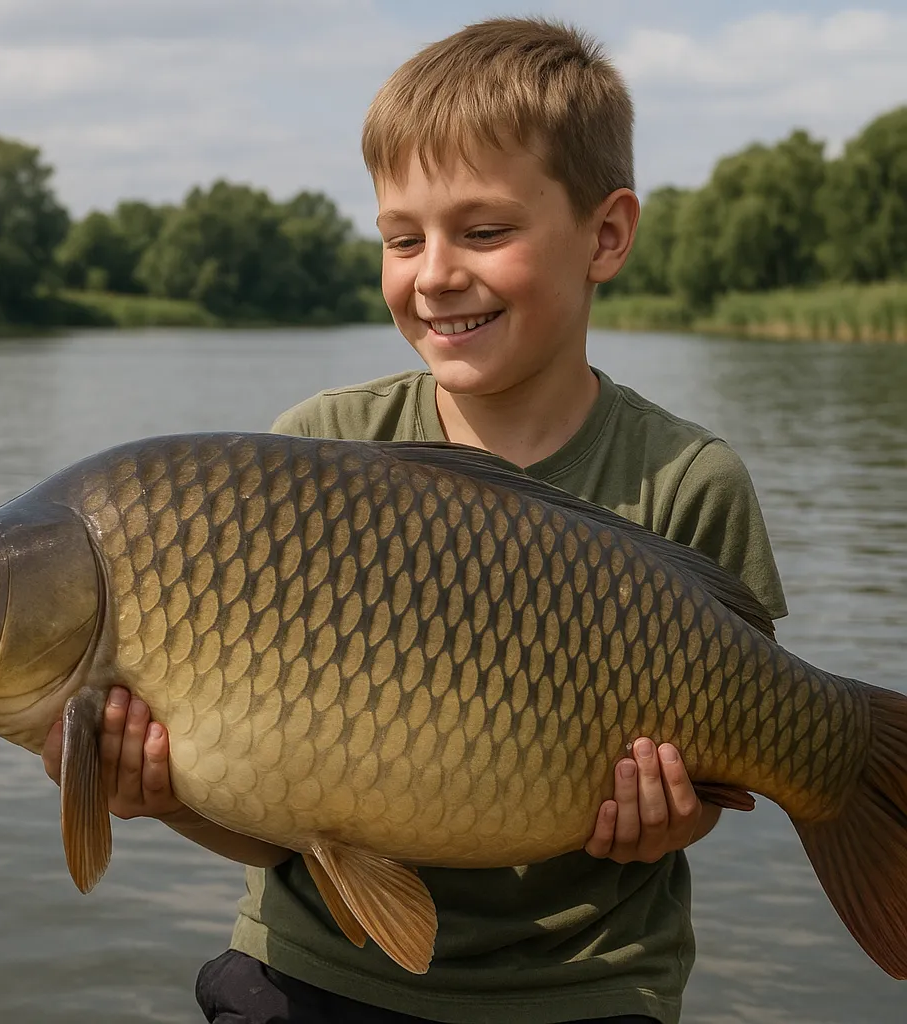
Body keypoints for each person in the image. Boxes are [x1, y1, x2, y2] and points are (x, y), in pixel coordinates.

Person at [42, 16, 787, 1024]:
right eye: (402, 238)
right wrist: (162, 794)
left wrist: (672, 818)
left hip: (585, 987)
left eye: (483, 231)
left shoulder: (687, 479)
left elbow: (712, 783)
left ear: (605, 235)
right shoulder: (313, 449)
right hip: (310, 970)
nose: (433, 271)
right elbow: (273, 822)